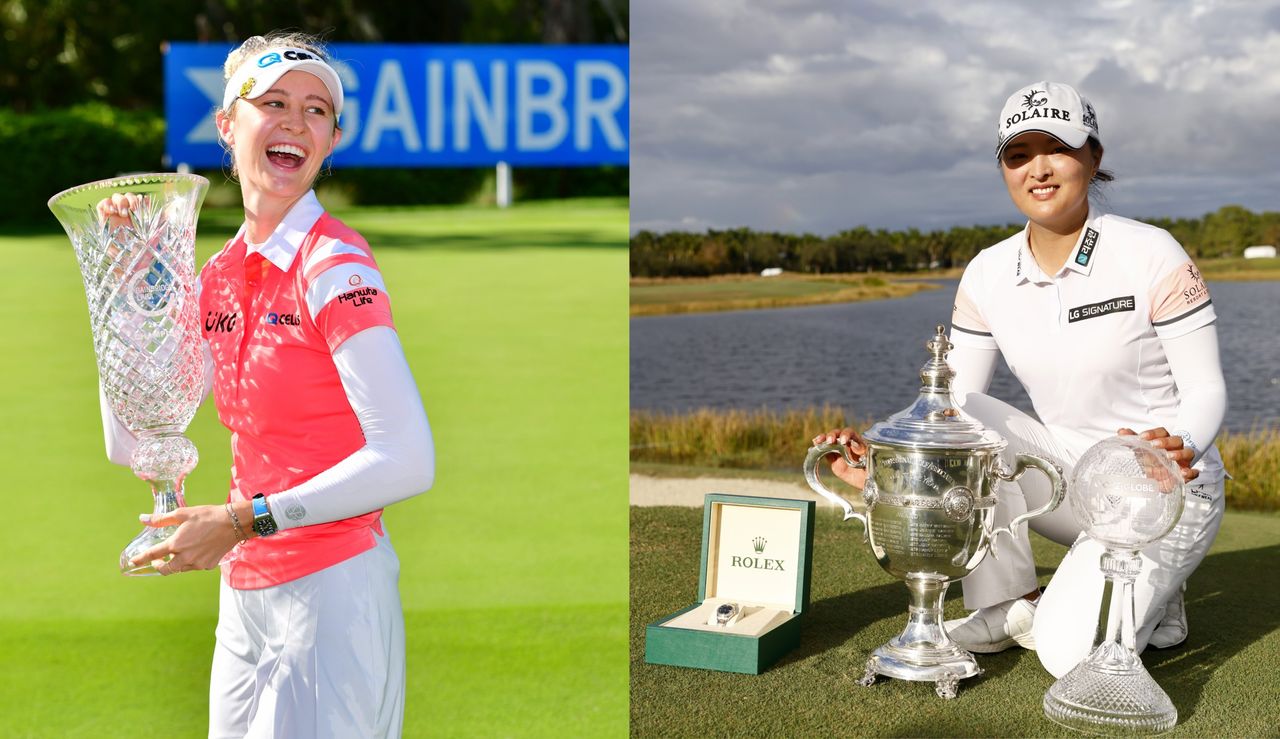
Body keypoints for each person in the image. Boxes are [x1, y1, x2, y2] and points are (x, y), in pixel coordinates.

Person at [813, 81, 1226, 679]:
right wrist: (890, 469)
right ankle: (1005, 603)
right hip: (1070, 482)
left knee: (1065, 657)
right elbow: (952, 411)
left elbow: (1208, 389)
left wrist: (1177, 448)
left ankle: (1139, 598)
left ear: (1093, 157)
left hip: (1163, 487)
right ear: (1005, 168)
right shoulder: (986, 272)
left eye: (1056, 148)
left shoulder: (1150, 252)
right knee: (967, 415)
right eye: (1018, 154)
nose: (1039, 169)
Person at [97, 32, 434, 737]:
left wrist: (240, 519)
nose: (295, 122)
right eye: (272, 102)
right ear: (227, 125)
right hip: (246, 596)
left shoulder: (335, 264)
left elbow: (408, 456)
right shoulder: (219, 272)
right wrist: (125, 285)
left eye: (317, 111)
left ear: (333, 138)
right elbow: (131, 441)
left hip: (333, 592)